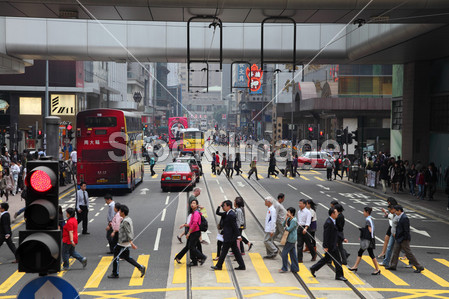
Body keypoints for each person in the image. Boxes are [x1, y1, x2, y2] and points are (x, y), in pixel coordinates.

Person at [108, 205, 146, 278]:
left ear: (123, 212)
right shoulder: (128, 219)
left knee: (116, 256)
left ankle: (115, 273)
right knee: (126, 257)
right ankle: (140, 267)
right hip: (124, 242)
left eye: (120, 211)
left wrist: (131, 243)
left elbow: (128, 232)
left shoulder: (125, 221)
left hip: (123, 242)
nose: (119, 212)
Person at [310, 207, 347, 281]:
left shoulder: (333, 221)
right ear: (332, 214)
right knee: (337, 260)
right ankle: (339, 275)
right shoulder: (328, 223)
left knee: (326, 259)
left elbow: (336, 232)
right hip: (331, 245)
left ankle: (313, 268)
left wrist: (343, 239)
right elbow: (326, 235)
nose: (337, 214)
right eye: (336, 212)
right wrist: (325, 246)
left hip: (333, 244)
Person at [386, 205, 425, 273]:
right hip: (399, 238)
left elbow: (406, 230)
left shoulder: (404, 218)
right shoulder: (399, 217)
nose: (395, 212)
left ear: (399, 211)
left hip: (403, 239)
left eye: (396, 211)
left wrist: (405, 239)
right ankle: (393, 265)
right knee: (395, 251)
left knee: (408, 253)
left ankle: (419, 267)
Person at [211, 200, 246, 271]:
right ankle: (242, 266)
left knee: (224, 251)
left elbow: (234, 226)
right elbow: (218, 213)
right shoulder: (227, 213)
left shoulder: (231, 214)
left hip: (230, 237)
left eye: (224, 206)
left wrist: (238, 236)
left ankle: (219, 266)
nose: (223, 207)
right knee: (235, 251)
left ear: (228, 206)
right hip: (229, 236)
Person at [348, 207, 381, 275]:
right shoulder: (370, 218)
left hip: (368, 239)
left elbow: (369, 230)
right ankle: (376, 269)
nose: (363, 213)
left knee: (361, 252)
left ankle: (356, 266)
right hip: (371, 239)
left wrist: (363, 233)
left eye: (364, 211)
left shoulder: (368, 220)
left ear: (367, 212)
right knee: (370, 254)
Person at [174, 199, 207, 267]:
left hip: (195, 232)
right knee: (189, 246)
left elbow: (194, 224)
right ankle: (193, 261)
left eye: (194, 203)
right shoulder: (193, 213)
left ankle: (202, 257)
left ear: (197, 205)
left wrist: (188, 233)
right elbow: (191, 224)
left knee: (191, 247)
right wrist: (184, 225)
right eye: (191, 203)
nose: (192, 204)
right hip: (194, 232)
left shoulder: (196, 213)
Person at [279, 207, 299, 273]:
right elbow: (282, 224)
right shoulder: (289, 219)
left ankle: (284, 268)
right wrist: (286, 219)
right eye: (287, 212)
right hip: (290, 238)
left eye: (289, 212)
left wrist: (285, 227)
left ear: (292, 213)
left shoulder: (294, 220)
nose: (287, 213)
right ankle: (295, 268)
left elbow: (289, 229)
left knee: (284, 253)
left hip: (291, 239)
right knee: (293, 254)